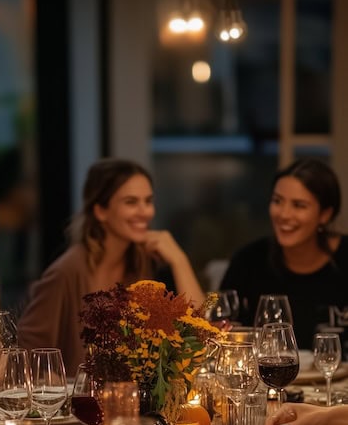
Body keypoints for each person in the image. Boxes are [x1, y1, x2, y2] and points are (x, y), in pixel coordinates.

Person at [17, 157, 205, 375]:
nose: (145, 212)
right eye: (131, 202)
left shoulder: (147, 261)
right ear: (100, 211)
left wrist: (179, 260)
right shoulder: (67, 272)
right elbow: (24, 356)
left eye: (148, 201)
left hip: (134, 395)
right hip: (81, 396)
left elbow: (200, 334)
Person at [220, 158, 348, 349]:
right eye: (277, 201)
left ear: (325, 214)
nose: (284, 214)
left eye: (299, 205)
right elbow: (218, 326)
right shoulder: (248, 261)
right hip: (269, 369)